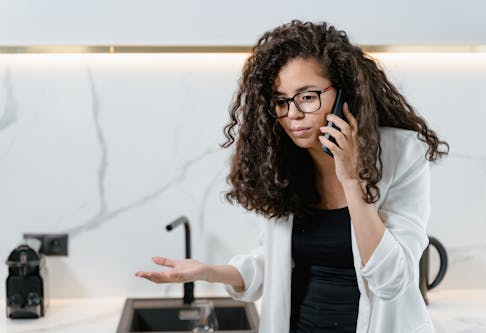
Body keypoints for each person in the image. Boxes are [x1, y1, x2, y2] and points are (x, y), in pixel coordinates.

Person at [135, 20, 449, 333]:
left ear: (344, 93)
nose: (293, 114)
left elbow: (391, 280)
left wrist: (352, 180)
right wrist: (211, 273)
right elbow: (276, 262)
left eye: (308, 96)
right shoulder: (282, 160)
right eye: (281, 100)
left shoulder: (402, 154)